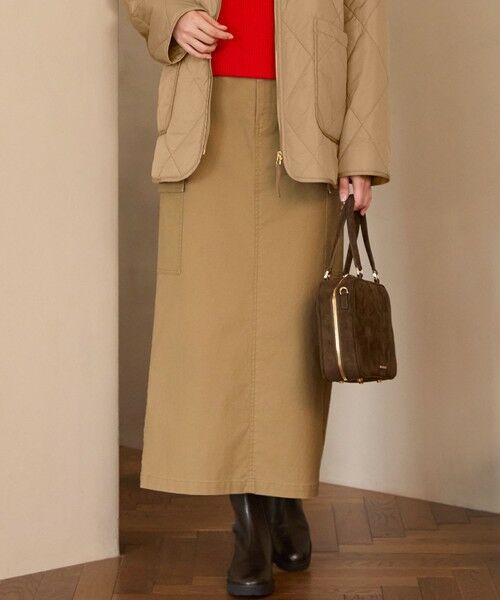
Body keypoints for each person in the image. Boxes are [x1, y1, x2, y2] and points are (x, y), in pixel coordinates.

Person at [124, 0, 390, 596]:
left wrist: (362, 159)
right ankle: (251, 526)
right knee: (212, 336)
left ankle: (283, 493)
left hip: (307, 135)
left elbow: (365, 28)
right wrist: (173, 16)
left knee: (291, 340)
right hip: (204, 127)